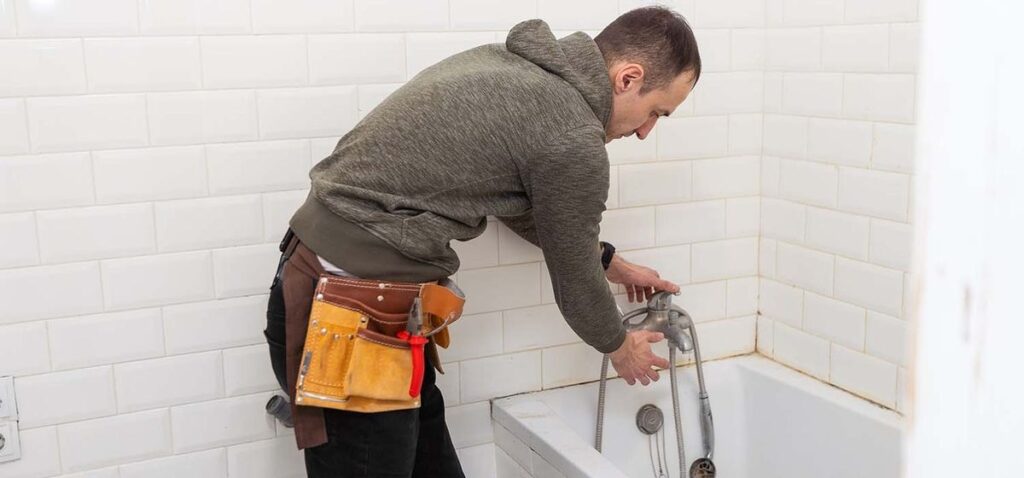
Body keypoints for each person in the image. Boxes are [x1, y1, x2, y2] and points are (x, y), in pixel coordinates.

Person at [264, 6, 701, 477]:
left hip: (348, 298)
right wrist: (620, 346)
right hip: (349, 318)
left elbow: (531, 211)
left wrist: (609, 262)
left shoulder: (519, 72)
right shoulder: (573, 134)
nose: (645, 131)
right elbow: (574, 280)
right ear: (628, 78)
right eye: (655, 112)